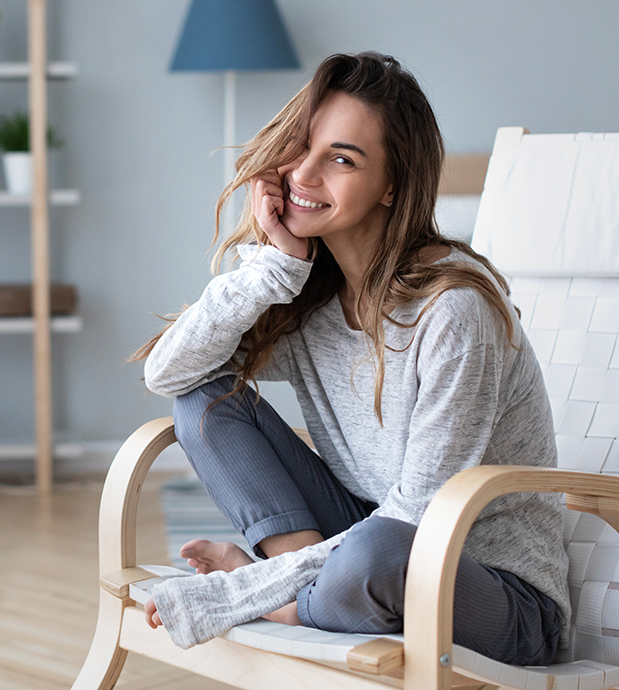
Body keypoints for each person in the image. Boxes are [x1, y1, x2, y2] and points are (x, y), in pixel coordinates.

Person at [137, 52, 569, 666]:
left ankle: (281, 595)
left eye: (341, 159)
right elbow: (172, 374)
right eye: (301, 148)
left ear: (392, 185)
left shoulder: (454, 309)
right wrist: (273, 270)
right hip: (366, 541)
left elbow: (419, 519)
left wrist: (239, 588)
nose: (303, 176)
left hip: (494, 594)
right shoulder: (309, 297)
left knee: (382, 552)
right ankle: (300, 583)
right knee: (206, 403)